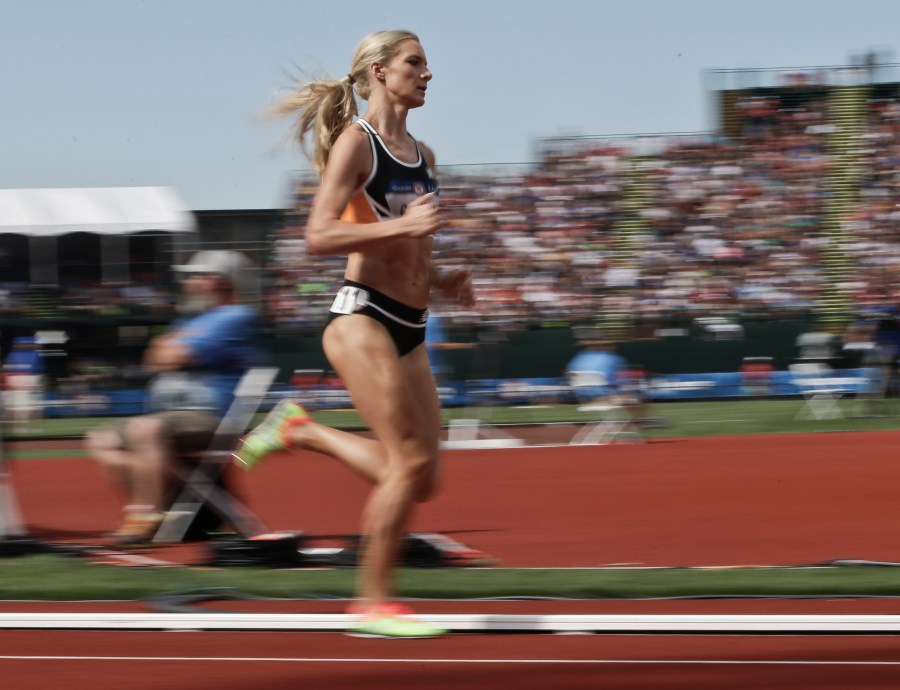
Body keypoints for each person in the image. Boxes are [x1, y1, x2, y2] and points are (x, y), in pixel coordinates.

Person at [234, 29, 474, 638]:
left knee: (425, 477)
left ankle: (301, 429)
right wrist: (402, 233)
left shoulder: (424, 154)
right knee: (409, 461)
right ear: (377, 71)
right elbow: (320, 236)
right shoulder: (355, 145)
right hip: (362, 318)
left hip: (412, 326)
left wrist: (442, 278)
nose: (427, 74)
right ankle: (371, 604)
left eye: (427, 65)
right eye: (414, 63)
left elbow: (407, 242)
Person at [85, 250, 262, 545]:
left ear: (220, 282)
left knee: (146, 430)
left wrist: (172, 349)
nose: (187, 282)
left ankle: (146, 515)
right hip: (170, 418)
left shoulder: (236, 316)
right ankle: (167, 508)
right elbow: (154, 358)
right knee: (98, 439)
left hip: (210, 416)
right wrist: (169, 349)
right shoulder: (188, 322)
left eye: (195, 276)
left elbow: (175, 354)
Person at [3, 336, 46, 430]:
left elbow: (40, 370)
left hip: (26, 379)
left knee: (26, 403)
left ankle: (26, 423)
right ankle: (22, 423)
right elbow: (7, 369)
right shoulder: (15, 354)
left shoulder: (34, 354)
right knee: (20, 404)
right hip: (21, 379)